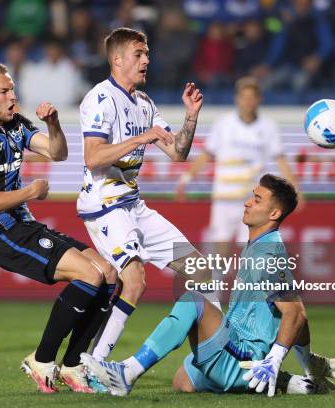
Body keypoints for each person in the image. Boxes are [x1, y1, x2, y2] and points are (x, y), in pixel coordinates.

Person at [81, 174, 335, 397]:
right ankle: (288, 383)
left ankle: (129, 371)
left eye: (257, 199)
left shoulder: (268, 255)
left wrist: (273, 359)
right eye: (252, 195)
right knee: (183, 380)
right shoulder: (260, 246)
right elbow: (299, 315)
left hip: (244, 356)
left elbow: (295, 313)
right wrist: (308, 362)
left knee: (193, 300)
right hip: (239, 354)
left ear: (274, 213)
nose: (247, 202)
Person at [0, 62, 117, 394]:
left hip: (25, 225)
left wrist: (54, 123)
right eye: (4, 91)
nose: (13, 97)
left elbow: (57, 152)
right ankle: (42, 360)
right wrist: (31, 191)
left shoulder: (15, 125)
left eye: (12, 89)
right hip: (3, 234)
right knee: (89, 275)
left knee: (109, 273)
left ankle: (73, 366)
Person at [77, 27, 216, 361]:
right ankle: (95, 364)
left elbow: (178, 153)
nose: (146, 60)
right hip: (105, 204)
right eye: (139, 54)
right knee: (135, 280)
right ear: (117, 59)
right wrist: (138, 140)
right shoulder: (99, 98)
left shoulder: (144, 103)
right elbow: (93, 156)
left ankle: (212, 355)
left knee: (201, 269)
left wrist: (191, 116)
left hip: (133, 205)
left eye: (147, 54)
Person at [176, 76, 303, 256]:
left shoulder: (268, 127)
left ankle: (248, 283)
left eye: (252, 98)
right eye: (244, 97)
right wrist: (186, 179)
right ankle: (216, 283)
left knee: (253, 248)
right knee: (220, 248)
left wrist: (295, 189)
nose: (248, 102)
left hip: (254, 200)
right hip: (225, 197)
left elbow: (280, 159)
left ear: (259, 99)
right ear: (237, 99)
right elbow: (206, 155)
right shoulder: (224, 124)